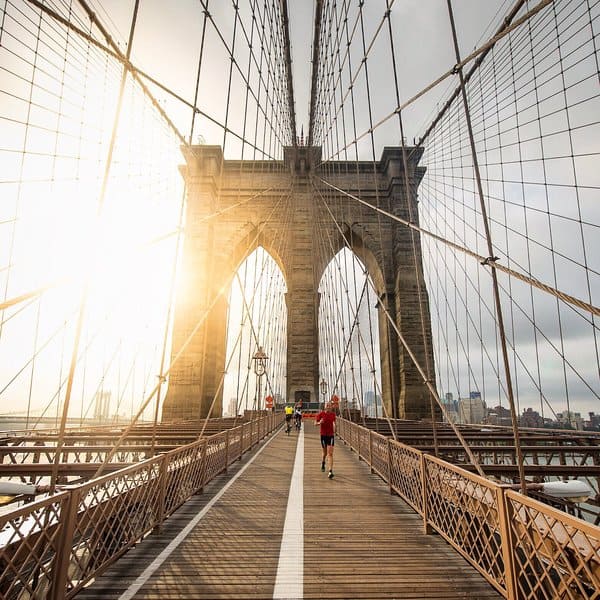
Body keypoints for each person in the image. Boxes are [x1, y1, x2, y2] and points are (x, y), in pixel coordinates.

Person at [315, 402, 336, 478]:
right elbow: (315, 423)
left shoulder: (333, 415)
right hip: (323, 435)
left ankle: (330, 471)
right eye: (327, 405)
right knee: (325, 453)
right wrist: (319, 422)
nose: (328, 407)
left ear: (331, 407)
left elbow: (333, 423)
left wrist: (334, 427)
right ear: (324, 407)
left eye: (330, 406)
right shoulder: (321, 414)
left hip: (331, 435)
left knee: (330, 454)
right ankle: (323, 462)